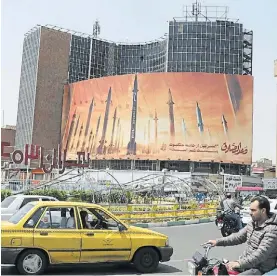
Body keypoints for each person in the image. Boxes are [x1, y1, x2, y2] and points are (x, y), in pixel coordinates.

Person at [205, 196, 277, 275]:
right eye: (250, 209)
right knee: (219, 270)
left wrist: (239, 263)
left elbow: (261, 254)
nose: (250, 212)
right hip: (246, 263)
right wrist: (217, 242)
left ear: (263, 210)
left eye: (253, 210)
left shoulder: (272, 230)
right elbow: (238, 237)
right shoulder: (253, 223)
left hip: (260, 268)